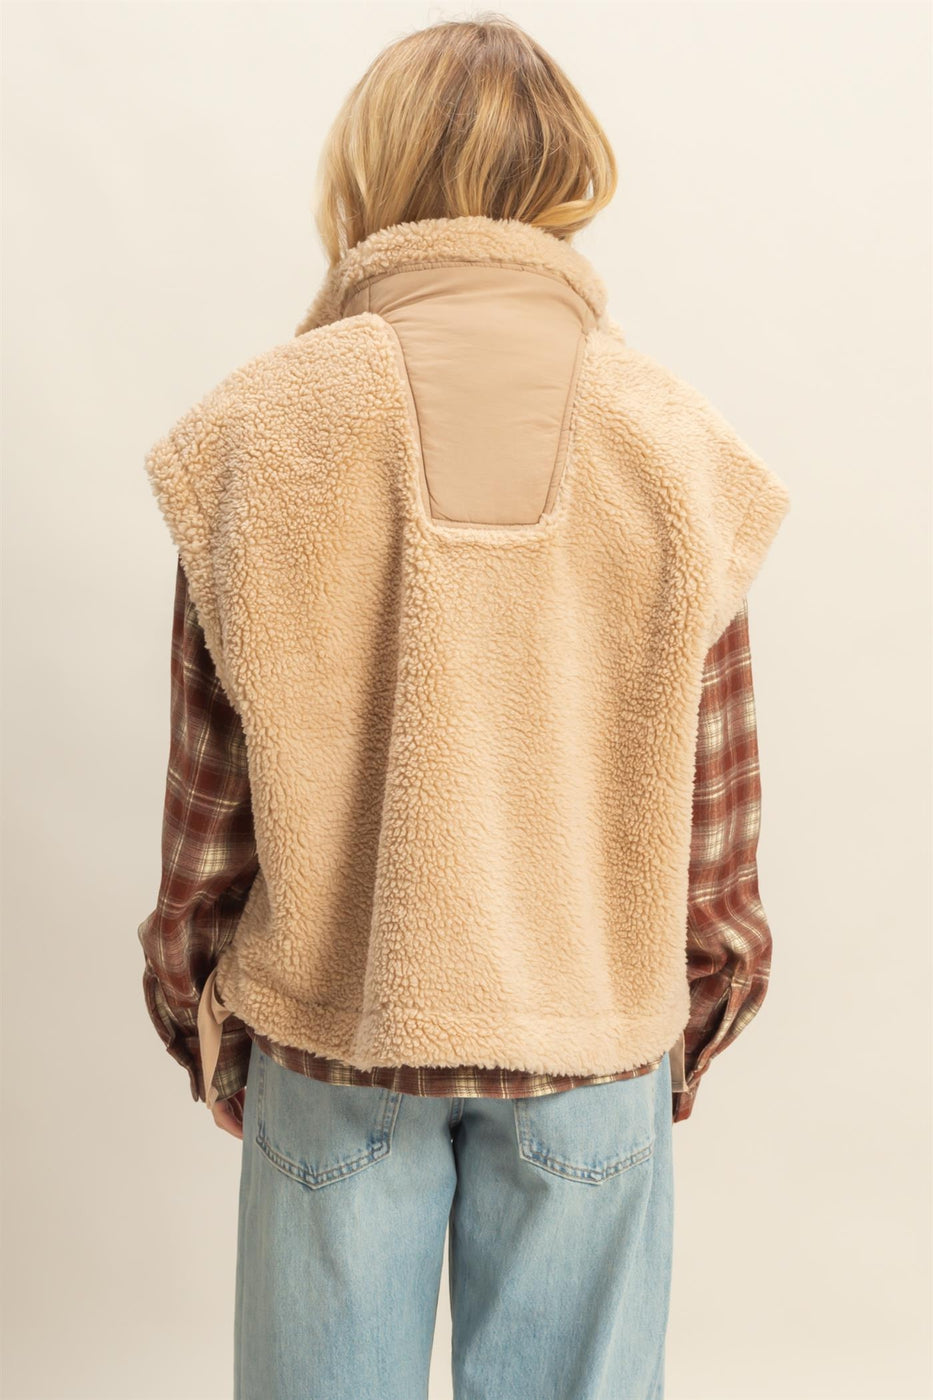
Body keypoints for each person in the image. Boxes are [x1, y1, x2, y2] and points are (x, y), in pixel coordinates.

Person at [137, 15, 791, 1400]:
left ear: (367, 171)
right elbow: (714, 817)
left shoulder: (259, 432)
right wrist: (689, 1010)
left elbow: (208, 811)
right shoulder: (673, 445)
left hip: (335, 1037)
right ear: (569, 177)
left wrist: (200, 1011)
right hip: (592, 1041)